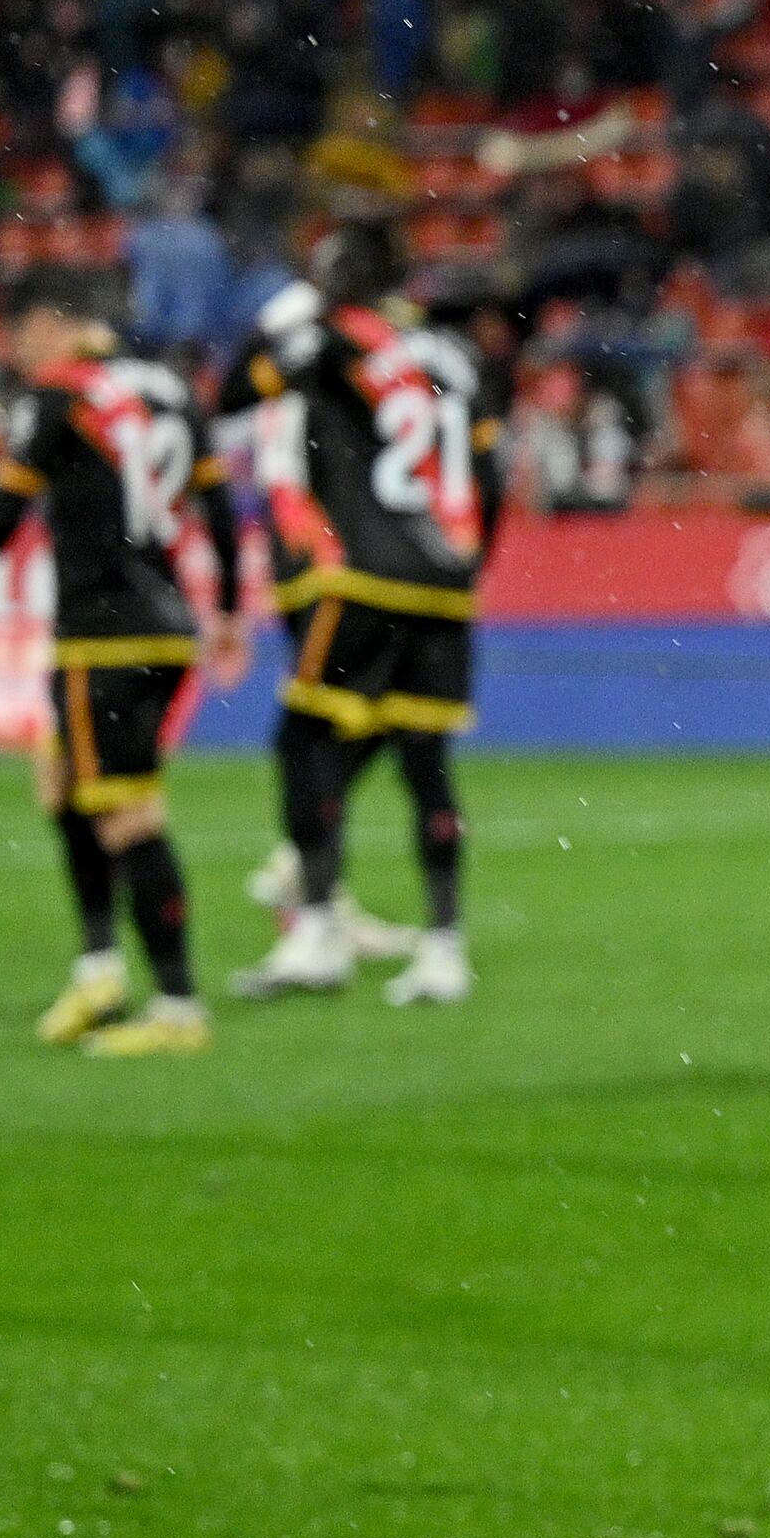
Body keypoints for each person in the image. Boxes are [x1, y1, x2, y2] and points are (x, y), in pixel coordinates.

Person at [0, 270, 247, 1054]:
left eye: (24, 334)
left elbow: (6, 503)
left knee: (129, 812)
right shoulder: (168, 389)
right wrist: (228, 606)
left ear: (54, 324)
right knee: (61, 780)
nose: (20, 352)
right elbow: (220, 506)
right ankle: (100, 967)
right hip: (163, 620)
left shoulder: (61, 394)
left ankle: (177, 1006)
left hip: (106, 628)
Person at [228, 224, 502, 1006]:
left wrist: (284, 340)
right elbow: (490, 470)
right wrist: (468, 562)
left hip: (367, 570)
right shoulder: (453, 356)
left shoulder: (332, 340)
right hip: (445, 577)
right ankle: (445, 949)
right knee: (425, 760)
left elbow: (237, 393)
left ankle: (314, 927)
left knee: (303, 738)